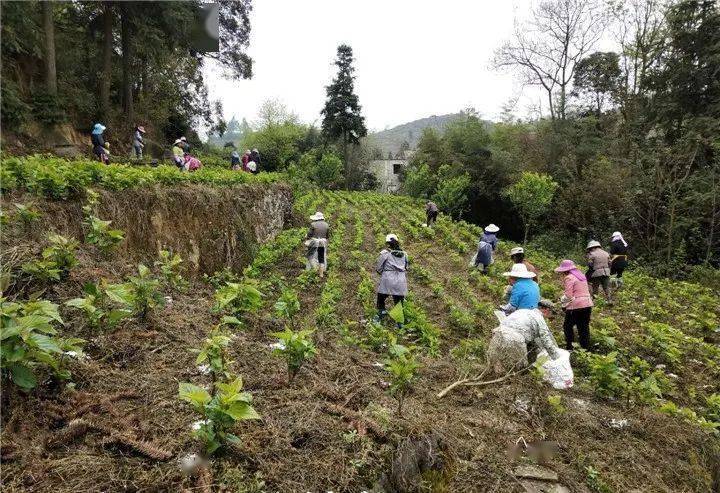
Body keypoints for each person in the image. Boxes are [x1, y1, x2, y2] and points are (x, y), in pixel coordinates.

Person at [555, 259, 594, 350]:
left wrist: (563, 302)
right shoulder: (582, 276)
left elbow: (568, 295)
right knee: (583, 327)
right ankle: (585, 348)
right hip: (587, 304)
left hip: (576, 306)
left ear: (565, 270)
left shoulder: (569, 277)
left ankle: (570, 347)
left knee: (567, 326)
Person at [375, 234, 409, 322]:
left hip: (388, 278)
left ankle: (381, 313)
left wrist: (385, 272)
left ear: (388, 244)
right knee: (398, 301)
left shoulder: (385, 254)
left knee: (381, 296)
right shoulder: (404, 254)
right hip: (401, 280)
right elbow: (406, 267)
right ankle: (399, 323)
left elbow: (379, 268)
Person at [305, 212, 330, 277]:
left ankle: (314, 269)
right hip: (322, 243)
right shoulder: (326, 225)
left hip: (314, 242)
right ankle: (321, 274)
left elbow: (309, 234)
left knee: (310, 255)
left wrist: (306, 237)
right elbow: (327, 236)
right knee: (321, 257)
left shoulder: (313, 224)